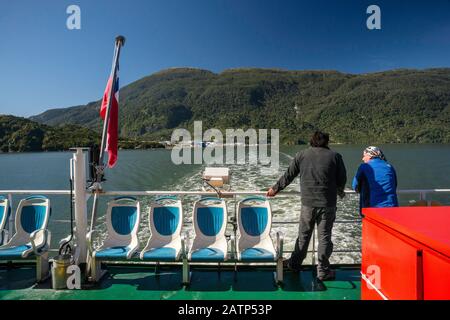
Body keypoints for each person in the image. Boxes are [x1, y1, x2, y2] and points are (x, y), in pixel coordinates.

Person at [266, 131, 347, 281]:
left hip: (308, 205)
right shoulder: (335, 156)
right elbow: (342, 178)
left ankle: (295, 265)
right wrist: (339, 190)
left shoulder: (301, 155)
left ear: (311, 141)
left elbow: (288, 175)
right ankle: (322, 271)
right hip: (328, 204)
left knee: (303, 236)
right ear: (326, 142)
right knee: (324, 238)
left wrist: (275, 189)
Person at [352, 146, 398, 216]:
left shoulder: (364, 167)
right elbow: (394, 185)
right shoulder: (389, 166)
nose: (363, 158)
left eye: (364, 156)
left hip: (373, 208)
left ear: (370, 156)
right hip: (392, 207)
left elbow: (355, 186)